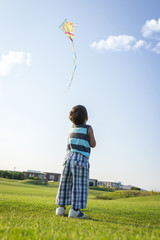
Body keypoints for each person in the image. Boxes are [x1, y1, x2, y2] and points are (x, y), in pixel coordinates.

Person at [56, 105, 96, 218]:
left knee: (65, 184)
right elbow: (93, 144)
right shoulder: (88, 128)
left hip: (68, 158)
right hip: (81, 159)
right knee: (79, 185)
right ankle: (75, 211)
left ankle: (61, 208)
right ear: (86, 117)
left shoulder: (71, 128)